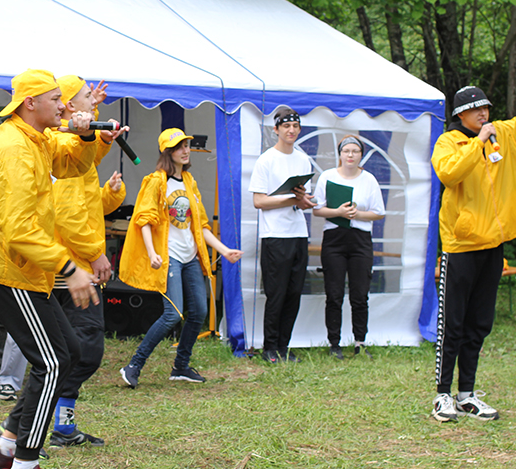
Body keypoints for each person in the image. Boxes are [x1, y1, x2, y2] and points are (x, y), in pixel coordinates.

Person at [0, 68, 114, 469]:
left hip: (25, 268)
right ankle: (23, 468)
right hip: (6, 268)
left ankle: (7, 445)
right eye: (56, 99)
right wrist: (70, 268)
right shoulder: (14, 149)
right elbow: (18, 230)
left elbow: (71, 165)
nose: (64, 105)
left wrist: (88, 137)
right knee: (52, 362)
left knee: (68, 353)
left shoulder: (36, 138)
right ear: (30, 103)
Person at [430, 85, 516, 422]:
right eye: (475, 109)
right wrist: (477, 143)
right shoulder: (448, 142)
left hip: (493, 245)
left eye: (486, 108)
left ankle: (467, 395)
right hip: (461, 246)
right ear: (460, 115)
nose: (483, 114)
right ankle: (442, 395)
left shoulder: (502, 134)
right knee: (453, 324)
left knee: (479, 323)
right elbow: (449, 173)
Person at [118, 128, 242, 388]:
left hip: (189, 257)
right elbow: (144, 220)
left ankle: (181, 367)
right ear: (167, 152)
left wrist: (224, 250)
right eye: (179, 147)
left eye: (186, 145)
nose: (185, 151)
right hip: (169, 257)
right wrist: (152, 252)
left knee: (199, 312)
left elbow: (201, 225)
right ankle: (134, 365)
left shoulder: (189, 181)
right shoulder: (155, 181)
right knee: (172, 314)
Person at [47, 75, 127, 447]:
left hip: (75, 262)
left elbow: (88, 202)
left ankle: (61, 425)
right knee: (84, 349)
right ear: (67, 105)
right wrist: (95, 255)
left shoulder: (75, 145)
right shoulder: (63, 145)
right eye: (86, 98)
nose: (94, 103)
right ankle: (34, 419)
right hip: (71, 266)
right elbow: (67, 216)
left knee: (76, 350)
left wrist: (111, 193)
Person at [248, 106, 316, 363]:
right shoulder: (266, 160)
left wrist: (304, 201)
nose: (291, 130)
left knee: (294, 293)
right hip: (275, 234)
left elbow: (301, 201)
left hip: (298, 232)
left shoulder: (303, 159)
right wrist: (290, 199)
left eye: (295, 126)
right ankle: (270, 347)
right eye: (286, 126)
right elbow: (259, 201)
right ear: (276, 129)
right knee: (276, 293)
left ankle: (284, 346)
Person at [312, 135, 386, 359]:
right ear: (340, 154)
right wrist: (338, 212)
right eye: (346, 151)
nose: (350, 155)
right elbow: (317, 209)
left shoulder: (369, 179)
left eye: (355, 151)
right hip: (334, 238)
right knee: (334, 293)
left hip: (360, 239)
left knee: (360, 294)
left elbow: (378, 212)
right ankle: (334, 343)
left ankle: (359, 341)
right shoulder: (327, 176)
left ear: (361, 155)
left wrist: (357, 214)